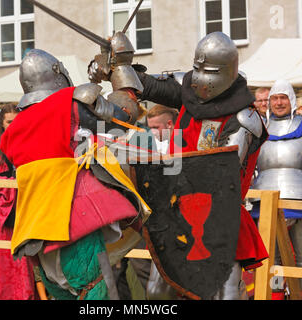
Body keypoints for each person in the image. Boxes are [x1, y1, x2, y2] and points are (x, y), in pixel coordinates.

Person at [91, 31, 269, 300]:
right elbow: (144, 86)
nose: (199, 78)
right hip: (176, 210)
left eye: (205, 70)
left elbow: (219, 171)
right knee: (157, 291)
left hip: (219, 217)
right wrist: (118, 66)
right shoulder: (190, 92)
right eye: (196, 68)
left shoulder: (244, 119)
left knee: (224, 293)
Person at [0, 48, 149, 300]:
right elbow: (123, 118)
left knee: (65, 294)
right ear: (58, 74)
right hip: (70, 219)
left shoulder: (16, 126)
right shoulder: (70, 103)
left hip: (35, 226)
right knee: (96, 292)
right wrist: (119, 70)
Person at [250, 79, 302, 300]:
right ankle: (277, 296)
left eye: (283, 98)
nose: (279, 103)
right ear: (269, 102)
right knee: (273, 263)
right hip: (264, 203)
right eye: (275, 98)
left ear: (292, 100)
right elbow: (246, 167)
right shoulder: (258, 127)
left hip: (301, 201)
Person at [0, 103, 38, 300]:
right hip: (6, 205)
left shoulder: (31, 141)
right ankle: (11, 293)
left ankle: (33, 292)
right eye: (9, 121)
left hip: (30, 201)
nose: (13, 125)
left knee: (32, 251)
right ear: (2, 124)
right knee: (9, 253)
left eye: (17, 121)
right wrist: (12, 185)